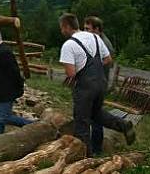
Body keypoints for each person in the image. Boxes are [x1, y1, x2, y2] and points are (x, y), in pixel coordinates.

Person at [58, 13, 135, 156]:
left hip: (85, 87)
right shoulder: (95, 37)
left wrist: (82, 73)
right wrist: (93, 70)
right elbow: (108, 59)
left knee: (81, 122)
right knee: (96, 113)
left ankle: (85, 158)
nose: (61, 31)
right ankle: (123, 125)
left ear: (66, 26)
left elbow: (71, 73)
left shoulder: (69, 45)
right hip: (101, 83)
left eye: (61, 28)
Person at [0, 25, 33, 134]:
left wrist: (18, 88)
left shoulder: (4, 52)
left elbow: (14, 72)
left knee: (3, 117)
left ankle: (32, 125)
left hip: (5, 92)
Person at [83, 16, 115, 155]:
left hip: (97, 85)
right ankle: (91, 146)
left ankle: (95, 149)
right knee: (91, 115)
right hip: (94, 83)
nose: (85, 31)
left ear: (97, 29)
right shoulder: (95, 40)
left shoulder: (103, 44)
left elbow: (102, 64)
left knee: (95, 117)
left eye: (87, 29)